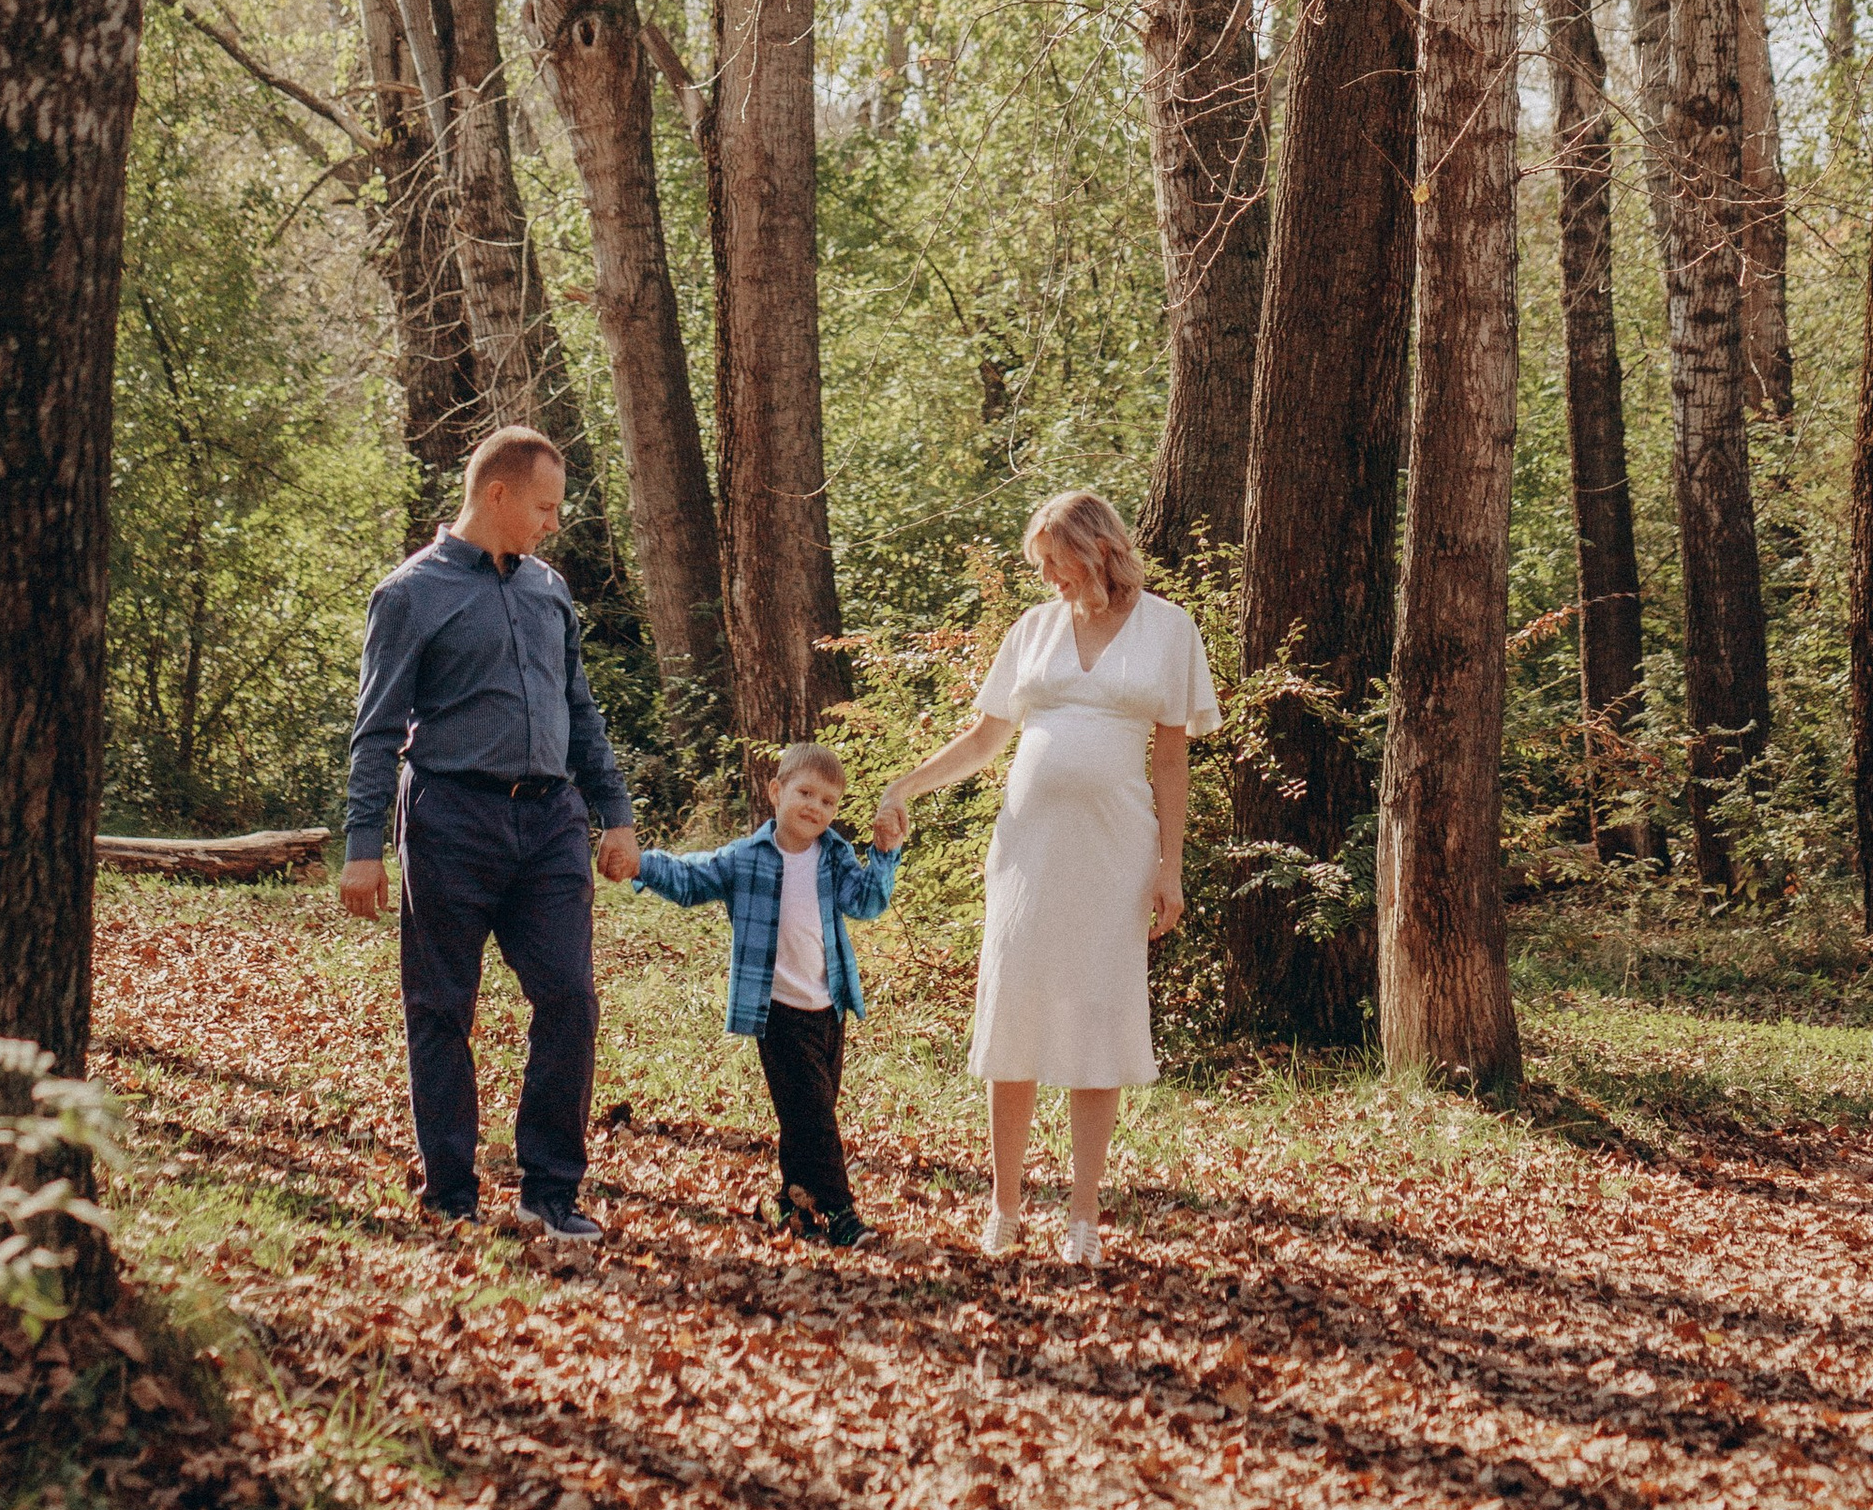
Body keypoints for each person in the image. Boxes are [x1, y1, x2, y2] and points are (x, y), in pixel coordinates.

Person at [873, 490, 1218, 1266]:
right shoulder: (1033, 630)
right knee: (1015, 1011)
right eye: (1041, 568)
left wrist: (1172, 866)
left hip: (1116, 852)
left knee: (1099, 1014)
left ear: (1096, 549)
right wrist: (905, 786)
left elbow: (1171, 758)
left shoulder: (1169, 628)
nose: (1048, 580)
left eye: (1055, 564)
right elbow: (985, 736)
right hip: (1027, 852)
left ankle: (1084, 1217)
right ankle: (1004, 1207)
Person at [339, 426, 640, 1245]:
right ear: (496, 494)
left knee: (570, 999)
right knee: (441, 1007)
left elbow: (581, 710)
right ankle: (451, 1192)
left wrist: (616, 814)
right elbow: (376, 730)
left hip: (549, 824)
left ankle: (550, 1191)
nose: (552, 524)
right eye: (543, 507)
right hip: (449, 818)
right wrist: (364, 844)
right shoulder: (410, 594)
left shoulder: (548, 591)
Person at [630, 741, 902, 1248]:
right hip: (777, 1011)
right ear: (775, 791)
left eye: (828, 802)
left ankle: (792, 1201)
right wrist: (641, 865)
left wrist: (884, 855)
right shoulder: (746, 859)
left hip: (829, 1007)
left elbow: (866, 903)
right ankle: (842, 1215)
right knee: (815, 1117)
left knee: (807, 1114)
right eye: (804, 793)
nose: (815, 808)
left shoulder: (835, 857)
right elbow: (690, 879)